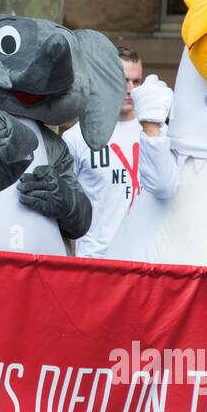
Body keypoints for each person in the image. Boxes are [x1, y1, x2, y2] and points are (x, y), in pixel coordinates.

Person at [63, 47, 147, 258]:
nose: (130, 89)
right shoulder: (77, 137)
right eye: (124, 80)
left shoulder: (157, 134)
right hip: (96, 261)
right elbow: (65, 205)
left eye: (136, 82)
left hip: (147, 261)